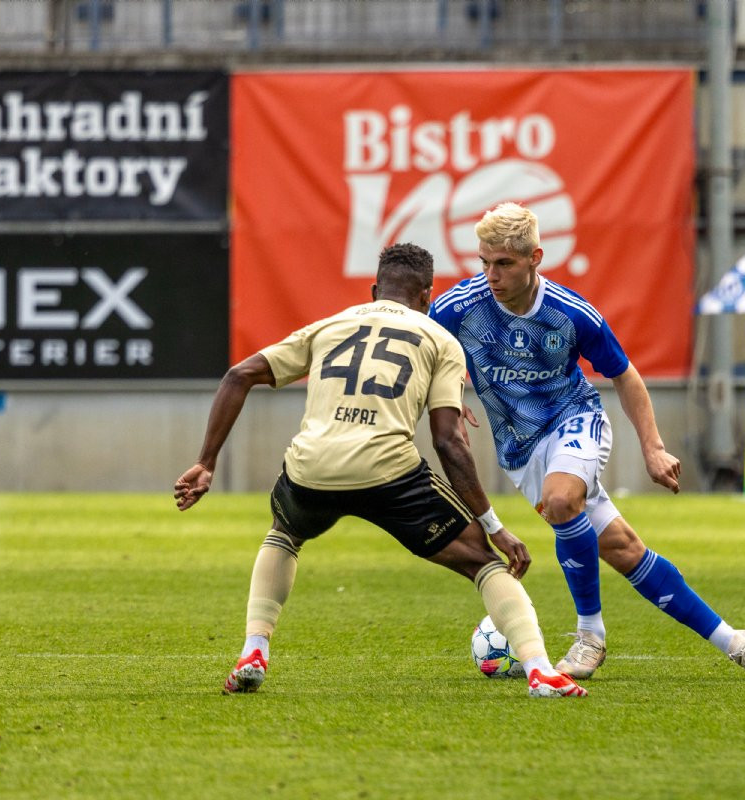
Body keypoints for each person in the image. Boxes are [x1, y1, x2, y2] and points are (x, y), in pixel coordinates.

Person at [173, 242, 586, 699]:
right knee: (485, 563)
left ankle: (254, 649)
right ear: (428, 296)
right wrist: (494, 526)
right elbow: (448, 439)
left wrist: (205, 463)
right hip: (388, 473)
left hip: (312, 468)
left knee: (284, 534)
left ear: (374, 290)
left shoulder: (331, 325)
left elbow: (238, 375)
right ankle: (540, 671)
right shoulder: (439, 339)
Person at [429, 203, 745, 681]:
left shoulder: (571, 314)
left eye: (504, 263)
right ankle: (736, 643)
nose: (491, 274)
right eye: (484, 262)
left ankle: (589, 635)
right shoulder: (457, 308)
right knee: (621, 547)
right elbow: (425, 349)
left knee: (560, 500)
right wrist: (442, 390)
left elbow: (624, 375)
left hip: (575, 420)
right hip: (520, 450)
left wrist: (653, 446)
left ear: (535, 257)